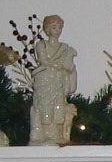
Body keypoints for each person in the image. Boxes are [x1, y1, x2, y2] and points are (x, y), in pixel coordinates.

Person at [28, 14, 77, 145]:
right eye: (54, 27)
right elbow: (43, 60)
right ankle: (45, 135)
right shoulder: (41, 44)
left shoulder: (64, 48)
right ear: (47, 29)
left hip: (59, 82)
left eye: (60, 27)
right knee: (46, 108)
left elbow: (69, 65)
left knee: (59, 109)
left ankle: (57, 134)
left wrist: (65, 66)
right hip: (45, 82)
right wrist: (56, 65)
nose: (57, 31)